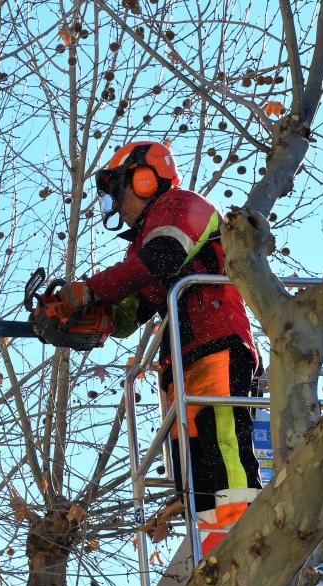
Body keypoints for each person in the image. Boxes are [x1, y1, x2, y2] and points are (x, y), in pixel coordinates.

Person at [58, 141, 262, 555]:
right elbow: (134, 307)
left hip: (216, 341)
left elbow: (156, 262)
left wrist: (88, 290)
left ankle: (243, 539)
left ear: (144, 178)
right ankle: (211, 541)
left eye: (117, 191)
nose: (115, 204)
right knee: (196, 462)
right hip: (183, 358)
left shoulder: (180, 208)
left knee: (223, 444)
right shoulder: (147, 242)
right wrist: (90, 318)